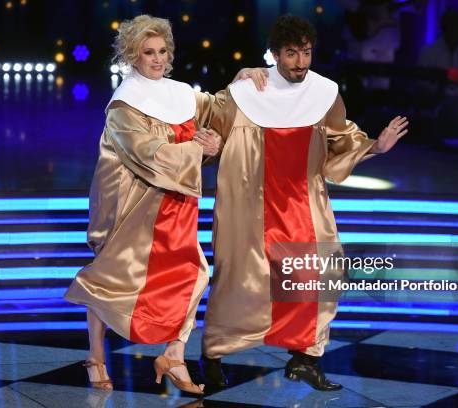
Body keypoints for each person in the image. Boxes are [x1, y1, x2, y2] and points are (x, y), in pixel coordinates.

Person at [198, 15, 408, 391]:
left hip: (304, 206)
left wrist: (377, 146)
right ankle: (213, 356)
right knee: (239, 284)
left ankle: (306, 359)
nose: (300, 63)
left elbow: (341, 142)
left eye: (306, 53)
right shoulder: (244, 93)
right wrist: (211, 144)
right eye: (291, 54)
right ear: (275, 55)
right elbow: (210, 129)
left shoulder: (324, 93)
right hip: (249, 207)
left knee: (318, 277)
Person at [64, 15, 263, 394]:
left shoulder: (181, 93)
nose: (157, 59)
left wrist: (243, 79)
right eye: (148, 53)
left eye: (162, 51)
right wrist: (197, 148)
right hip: (131, 203)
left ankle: (173, 354)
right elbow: (147, 153)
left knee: (196, 273)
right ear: (133, 56)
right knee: (110, 278)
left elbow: (218, 109)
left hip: (175, 201)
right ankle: (96, 355)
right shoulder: (125, 105)